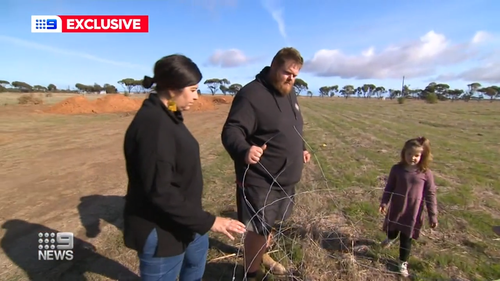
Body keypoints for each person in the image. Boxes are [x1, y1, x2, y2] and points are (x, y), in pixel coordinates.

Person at [123, 54, 246, 281]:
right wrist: (211, 222)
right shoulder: (154, 127)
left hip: (187, 220)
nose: (197, 97)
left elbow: (172, 111)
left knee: (194, 268)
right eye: (192, 90)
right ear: (171, 88)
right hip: (162, 231)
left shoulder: (166, 109)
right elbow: (160, 191)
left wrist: (199, 221)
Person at [221, 47, 311, 280]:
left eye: (295, 74)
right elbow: (232, 130)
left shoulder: (289, 92)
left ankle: (263, 255)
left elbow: (292, 126)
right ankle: (250, 274)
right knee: (257, 229)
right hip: (261, 179)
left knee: (268, 226)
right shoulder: (251, 95)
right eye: (287, 72)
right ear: (273, 66)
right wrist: (244, 149)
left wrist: (301, 147)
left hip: (285, 179)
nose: (291, 78)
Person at [379, 136, 438, 277]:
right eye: (409, 154)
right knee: (392, 231)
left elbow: (431, 195)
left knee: (406, 239)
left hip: (412, 213)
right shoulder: (396, 169)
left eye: (416, 155)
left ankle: (402, 263)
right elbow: (389, 187)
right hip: (396, 210)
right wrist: (384, 202)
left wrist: (433, 216)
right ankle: (390, 238)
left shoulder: (426, 173)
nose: (412, 158)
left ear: (422, 156)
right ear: (403, 153)